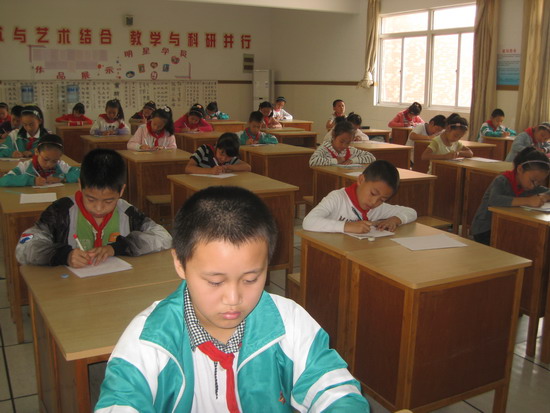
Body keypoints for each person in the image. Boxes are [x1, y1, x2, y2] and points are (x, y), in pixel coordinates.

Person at [94, 185, 370, 412]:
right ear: (180, 264)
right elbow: (121, 401)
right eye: (215, 281)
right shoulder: (148, 340)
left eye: (251, 279)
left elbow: (335, 390)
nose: (234, 298)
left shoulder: (288, 322)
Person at [15, 149, 172, 267]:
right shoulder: (61, 211)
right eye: (90, 199)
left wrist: (118, 247)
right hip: (70, 290)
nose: (98, 208)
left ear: (121, 191)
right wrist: (64, 255)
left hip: (116, 287)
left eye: (108, 201)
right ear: (80, 185)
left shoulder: (128, 212)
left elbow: (164, 237)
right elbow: (23, 247)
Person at [303, 160, 417, 233]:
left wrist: (395, 220)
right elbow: (308, 222)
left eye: (382, 199)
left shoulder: (378, 208)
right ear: (361, 180)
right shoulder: (337, 198)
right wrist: (347, 226)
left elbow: (411, 212)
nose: (374, 202)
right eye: (373, 193)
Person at [471, 147, 550, 245]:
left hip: (508, 228)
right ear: (520, 169)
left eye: (539, 182)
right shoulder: (502, 180)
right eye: (533, 180)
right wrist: (528, 201)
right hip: (485, 229)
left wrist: (545, 197)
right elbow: (494, 200)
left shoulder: (533, 187)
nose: (534, 185)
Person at [0, 134, 80, 187]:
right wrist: (31, 180)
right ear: (36, 152)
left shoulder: (60, 165)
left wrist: (62, 178)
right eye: (45, 159)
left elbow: (81, 173)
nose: (49, 164)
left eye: (54, 161)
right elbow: (4, 180)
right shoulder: (25, 166)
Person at [309, 121, 376, 166]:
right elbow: (313, 161)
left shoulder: (350, 150)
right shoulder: (324, 149)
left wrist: (352, 160)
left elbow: (372, 157)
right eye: (341, 141)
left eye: (348, 143)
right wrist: (336, 161)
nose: (344, 145)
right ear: (334, 135)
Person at [185, 132, 251, 175]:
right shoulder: (204, 149)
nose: (223, 159)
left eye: (228, 157)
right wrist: (210, 171)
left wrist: (228, 167)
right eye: (221, 154)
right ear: (216, 146)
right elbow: (188, 168)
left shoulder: (230, 155)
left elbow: (247, 167)